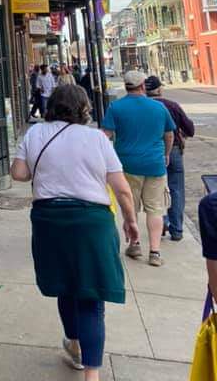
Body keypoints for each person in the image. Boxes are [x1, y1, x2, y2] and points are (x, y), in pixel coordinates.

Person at [11, 84, 139, 381]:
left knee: (65, 285)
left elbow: (18, 173)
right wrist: (131, 220)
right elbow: (121, 188)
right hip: (91, 222)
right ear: (83, 109)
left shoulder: (35, 133)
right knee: (91, 296)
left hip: (49, 219)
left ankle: (75, 345)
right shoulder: (96, 139)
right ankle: (91, 373)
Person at [102, 70, 175, 266]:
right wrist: (166, 154)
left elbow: (105, 135)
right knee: (155, 208)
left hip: (127, 165)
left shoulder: (115, 107)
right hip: (154, 164)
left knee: (130, 207)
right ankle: (155, 252)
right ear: (143, 85)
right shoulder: (158, 107)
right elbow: (169, 135)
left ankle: (134, 244)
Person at [144, 75, 195, 241]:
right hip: (173, 150)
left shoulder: (143, 107)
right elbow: (190, 129)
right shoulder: (171, 105)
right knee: (176, 189)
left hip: (151, 151)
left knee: (156, 189)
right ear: (159, 89)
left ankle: (162, 223)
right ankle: (177, 229)